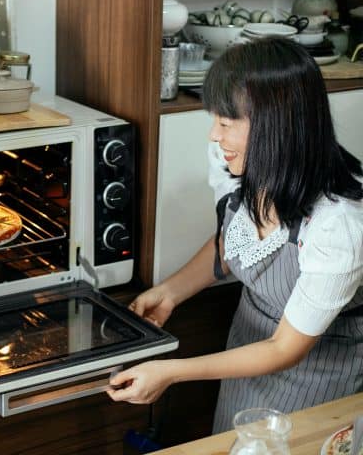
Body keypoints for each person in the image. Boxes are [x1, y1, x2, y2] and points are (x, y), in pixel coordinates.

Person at [107, 37, 363, 433]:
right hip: (245, 352)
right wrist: (171, 292)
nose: (214, 135)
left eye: (226, 123)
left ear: (275, 125)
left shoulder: (338, 223)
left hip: (320, 375)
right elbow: (237, 241)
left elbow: (284, 348)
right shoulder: (245, 164)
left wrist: (171, 372)